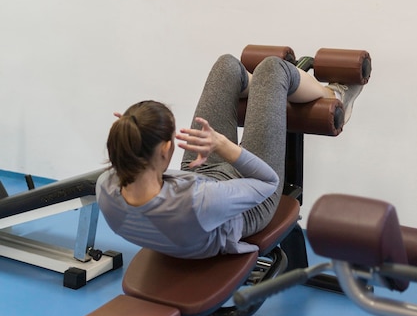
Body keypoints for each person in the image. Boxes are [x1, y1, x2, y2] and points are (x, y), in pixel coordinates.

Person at [96, 54, 362, 259]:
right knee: (272, 68)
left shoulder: (107, 189)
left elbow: (135, 175)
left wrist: (130, 132)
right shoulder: (200, 202)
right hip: (250, 199)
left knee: (227, 66)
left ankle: (262, 89)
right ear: (165, 150)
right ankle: (334, 94)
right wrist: (226, 148)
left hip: (196, 181)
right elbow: (267, 183)